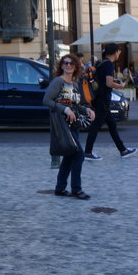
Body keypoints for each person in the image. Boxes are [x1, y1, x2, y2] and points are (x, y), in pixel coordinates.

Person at [44, 55, 96, 199]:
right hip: (62, 124)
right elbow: (46, 100)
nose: (68, 66)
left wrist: (87, 110)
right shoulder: (58, 82)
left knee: (69, 156)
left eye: (71, 63)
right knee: (79, 154)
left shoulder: (74, 83)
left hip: (74, 124)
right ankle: (76, 189)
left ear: (76, 66)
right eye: (65, 63)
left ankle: (60, 188)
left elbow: (76, 105)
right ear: (61, 66)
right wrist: (64, 109)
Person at [84, 43, 137, 161]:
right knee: (96, 125)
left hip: (98, 98)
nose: (119, 54)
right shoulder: (108, 64)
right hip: (103, 99)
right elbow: (108, 83)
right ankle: (87, 152)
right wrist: (121, 86)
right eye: (119, 52)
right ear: (115, 52)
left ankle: (123, 150)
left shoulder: (101, 62)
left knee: (112, 124)